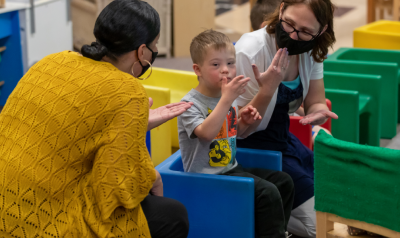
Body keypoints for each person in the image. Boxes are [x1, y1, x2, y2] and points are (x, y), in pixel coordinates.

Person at [0, 0, 191, 237]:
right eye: (155, 45)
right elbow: (119, 189)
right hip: (42, 223)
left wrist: (134, 124)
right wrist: (151, 175)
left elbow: (73, 126)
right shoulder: (127, 91)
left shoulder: (53, 60)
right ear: (142, 52)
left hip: (5, 202)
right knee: (172, 215)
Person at [234, 0, 338, 237]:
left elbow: (315, 100)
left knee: (334, 187)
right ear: (281, 9)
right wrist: (267, 89)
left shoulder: (312, 49)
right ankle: (264, 213)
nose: (292, 34)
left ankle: (276, 210)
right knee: (320, 228)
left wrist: (317, 114)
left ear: (320, 32)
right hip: (252, 146)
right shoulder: (250, 49)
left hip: (284, 140)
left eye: (304, 31)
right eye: (289, 24)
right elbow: (239, 129)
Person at [178, 29, 295, 238]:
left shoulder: (226, 96)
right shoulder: (189, 104)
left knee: (283, 181)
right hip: (206, 179)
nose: (226, 70)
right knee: (267, 193)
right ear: (198, 69)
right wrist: (226, 100)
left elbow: (234, 133)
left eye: (230, 63)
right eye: (216, 65)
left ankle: (273, 232)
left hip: (229, 168)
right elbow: (206, 134)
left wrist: (244, 122)